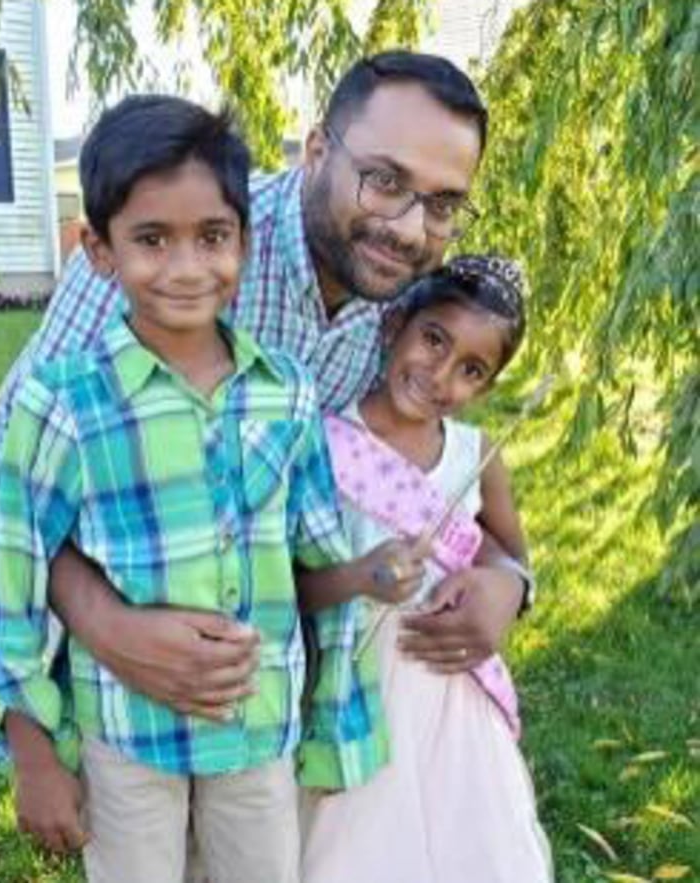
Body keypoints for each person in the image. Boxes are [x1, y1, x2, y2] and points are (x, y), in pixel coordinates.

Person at [0, 51, 533, 852]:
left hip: (274, 710)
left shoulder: (407, 309)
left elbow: (421, 472)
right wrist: (104, 622)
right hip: (130, 705)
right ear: (316, 150)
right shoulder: (167, 238)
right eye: (384, 180)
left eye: (444, 204)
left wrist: (508, 585)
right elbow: (15, 481)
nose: (413, 228)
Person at [0, 95, 384, 883]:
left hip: (258, 730)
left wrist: (337, 720)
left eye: (212, 237)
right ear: (98, 251)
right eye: (151, 239)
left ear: (243, 239)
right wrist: (33, 750)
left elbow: (321, 557)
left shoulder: (286, 392)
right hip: (129, 735)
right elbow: (14, 573)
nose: (188, 267)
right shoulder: (63, 404)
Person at [298, 255, 554, 883]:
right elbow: (285, 588)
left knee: (471, 849)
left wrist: (499, 584)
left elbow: (512, 558)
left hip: (451, 695)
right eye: (432, 339)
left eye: (471, 369)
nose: (440, 375)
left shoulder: (477, 457)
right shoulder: (321, 445)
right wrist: (359, 577)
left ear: (486, 388)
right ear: (393, 327)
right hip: (353, 695)